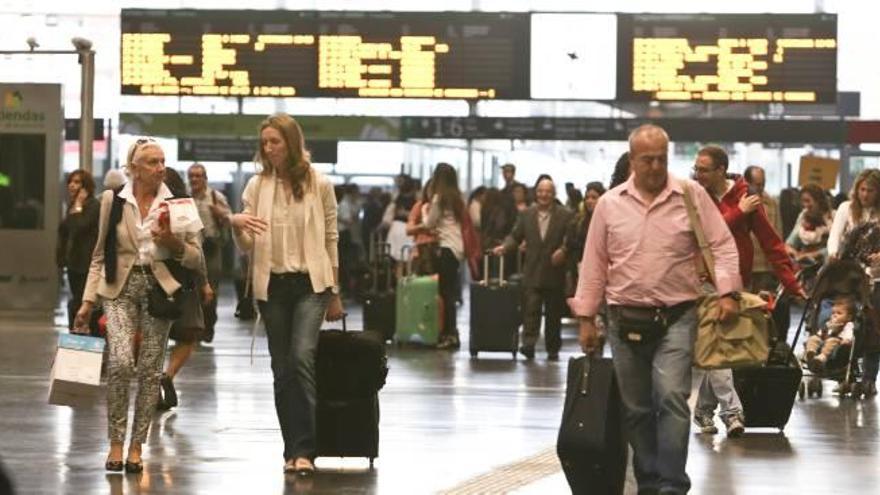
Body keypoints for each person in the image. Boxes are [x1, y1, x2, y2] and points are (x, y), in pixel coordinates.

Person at [570, 124, 741, 494]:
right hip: (622, 318)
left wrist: (728, 292)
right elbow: (594, 263)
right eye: (647, 160)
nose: (655, 167)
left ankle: (672, 485)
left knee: (672, 399)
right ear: (632, 160)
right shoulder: (609, 204)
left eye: (661, 159)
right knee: (637, 409)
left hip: (677, 315)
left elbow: (722, 244)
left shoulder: (690, 194)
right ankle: (648, 482)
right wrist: (586, 318)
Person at [73, 138, 204, 473]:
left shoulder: (178, 204)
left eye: (162, 161)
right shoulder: (112, 201)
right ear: (133, 168)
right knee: (118, 361)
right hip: (119, 288)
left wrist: (173, 243)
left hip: (160, 289)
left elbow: (195, 257)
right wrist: (88, 302)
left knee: (149, 370)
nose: (159, 168)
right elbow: (100, 255)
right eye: (151, 162)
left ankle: (136, 447)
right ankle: (115, 441)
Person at [230, 113, 344, 475]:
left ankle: (306, 450)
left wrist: (335, 292)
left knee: (300, 358)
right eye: (264, 142)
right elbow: (248, 245)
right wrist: (236, 225)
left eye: (275, 141)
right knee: (282, 371)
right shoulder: (256, 187)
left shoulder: (318, 183)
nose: (268, 148)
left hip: (312, 284)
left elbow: (331, 238)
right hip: (272, 287)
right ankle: (291, 449)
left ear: (291, 143)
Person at [692, 145, 805, 438]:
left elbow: (771, 243)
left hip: (733, 281)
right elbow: (702, 235)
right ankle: (732, 413)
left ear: (721, 170)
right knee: (719, 344)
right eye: (696, 168)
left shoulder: (746, 197)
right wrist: (737, 214)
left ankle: (704, 410)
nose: (697, 174)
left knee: (719, 347)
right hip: (702, 280)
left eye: (704, 169)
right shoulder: (694, 195)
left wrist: (792, 283)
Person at [493, 177, 573, 360]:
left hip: (554, 272)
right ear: (536, 194)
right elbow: (515, 236)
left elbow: (571, 238)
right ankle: (528, 344)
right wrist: (504, 247)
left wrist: (563, 250)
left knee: (553, 315)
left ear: (554, 194)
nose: (544, 195)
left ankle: (553, 348)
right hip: (532, 271)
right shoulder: (526, 215)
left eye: (548, 192)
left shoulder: (565, 215)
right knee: (531, 309)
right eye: (540, 191)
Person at [158, 168, 213, 411]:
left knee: (162, 337)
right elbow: (197, 251)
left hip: (166, 278)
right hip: (183, 277)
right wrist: (204, 283)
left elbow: (196, 251)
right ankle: (167, 375)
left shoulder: (168, 206)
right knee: (188, 334)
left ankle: (160, 379)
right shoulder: (184, 206)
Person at [828, 169, 880, 397]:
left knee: (873, 327)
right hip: (848, 276)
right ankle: (845, 372)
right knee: (845, 323)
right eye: (862, 189)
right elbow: (834, 237)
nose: (865, 194)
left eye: (870, 190)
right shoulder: (845, 209)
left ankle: (869, 378)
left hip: (876, 277)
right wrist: (834, 255)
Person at [422, 163, 479, 350]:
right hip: (457, 250)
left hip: (445, 248)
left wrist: (424, 212)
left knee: (445, 294)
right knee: (450, 293)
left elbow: (429, 224)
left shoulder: (439, 198)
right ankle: (452, 333)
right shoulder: (458, 198)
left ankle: (448, 334)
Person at [187, 163, 231, 342]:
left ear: (205, 178)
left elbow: (230, 221)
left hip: (211, 248)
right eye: (192, 176)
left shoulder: (215, 197)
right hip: (191, 249)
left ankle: (209, 325)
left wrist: (220, 213)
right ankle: (194, 328)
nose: (195, 179)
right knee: (191, 290)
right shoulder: (185, 198)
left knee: (210, 290)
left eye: (198, 176)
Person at [57, 169, 100, 331]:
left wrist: (79, 206)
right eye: (71, 182)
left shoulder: (93, 205)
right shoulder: (73, 205)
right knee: (76, 298)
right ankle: (78, 331)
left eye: (77, 182)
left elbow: (79, 227)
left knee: (83, 301)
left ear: (86, 186)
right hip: (74, 262)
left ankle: (82, 331)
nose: (72, 186)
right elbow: (65, 230)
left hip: (87, 263)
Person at [744, 165, 783, 292]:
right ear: (747, 182)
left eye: (763, 184)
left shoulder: (772, 202)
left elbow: (778, 232)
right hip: (745, 262)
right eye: (757, 184)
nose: (760, 188)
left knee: (762, 301)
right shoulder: (740, 202)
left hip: (765, 263)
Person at [565, 182, 605, 297]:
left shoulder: (608, 220)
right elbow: (570, 243)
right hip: (579, 269)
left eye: (594, 197)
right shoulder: (578, 221)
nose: (589, 201)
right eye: (587, 198)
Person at [785, 183, 833, 270]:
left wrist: (816, 254)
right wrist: (793, 253)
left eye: (808, 201)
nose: (805, 205)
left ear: (819, 201)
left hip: (826, 267)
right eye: (803, 201)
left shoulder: (832, 217)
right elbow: (790, 243)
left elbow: (837, 246)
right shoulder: (803, 216)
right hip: (805, 267)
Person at [804, 297, 855, 372]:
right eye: (833, 313)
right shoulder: (829, 323)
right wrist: (819, 334)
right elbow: (822, 331)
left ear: (848, 317)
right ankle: (810, 354)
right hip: (824, 338)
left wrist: (847, 339)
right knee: (813, 338)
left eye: (839, 313)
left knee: (832, 341)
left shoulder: (848, 324)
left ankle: (822, 357)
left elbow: (849, 334)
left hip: (837, 341)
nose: (834, 315)